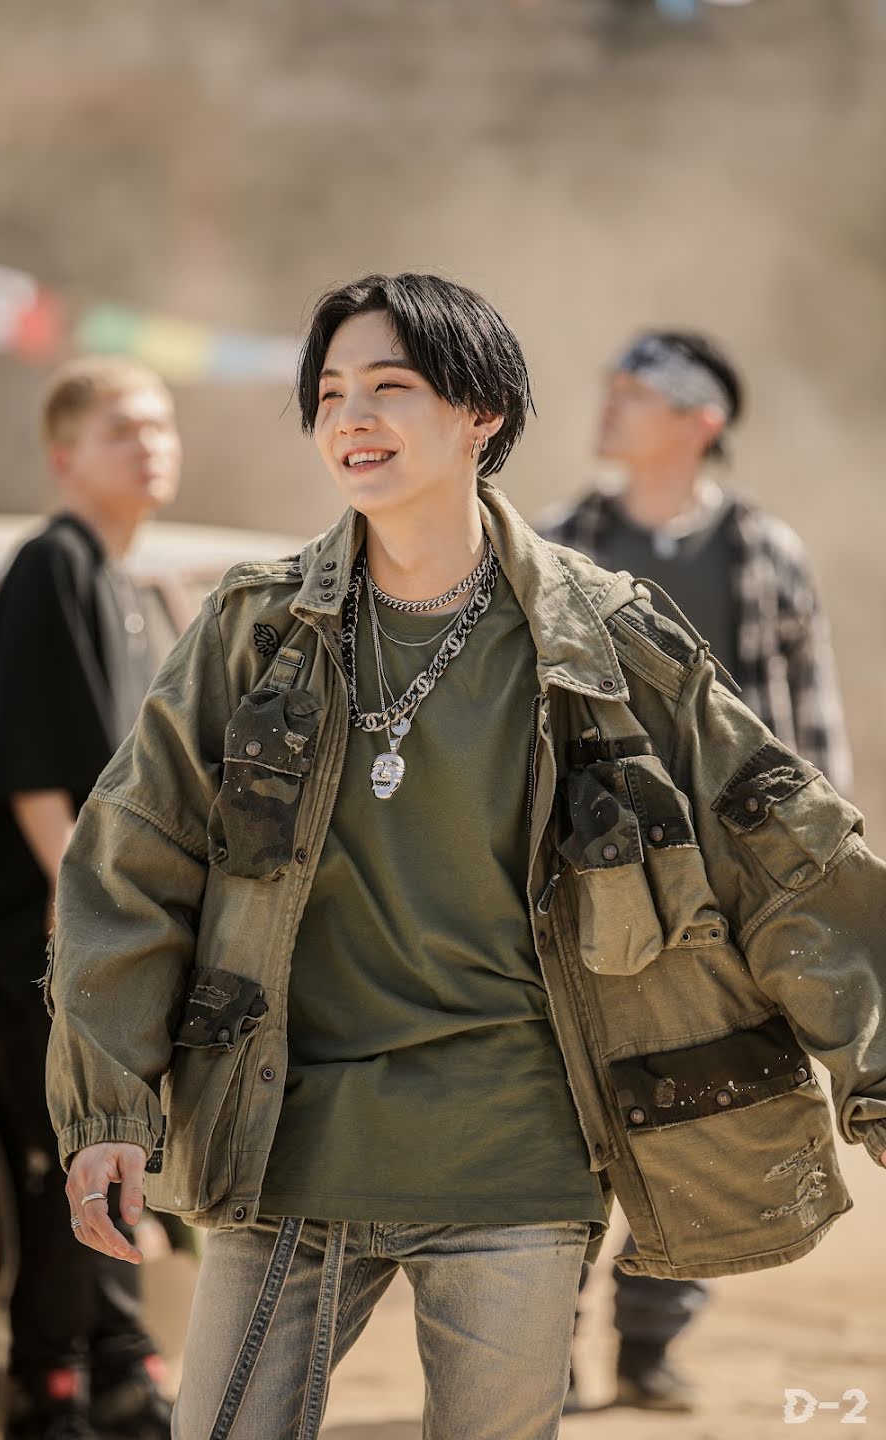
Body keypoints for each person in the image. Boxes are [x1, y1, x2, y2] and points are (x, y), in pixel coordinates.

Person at [45, 275, 886, 1440]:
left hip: (517, 1163)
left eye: (389, 387)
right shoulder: (254, 629)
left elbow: (790, 853)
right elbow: (130, 866)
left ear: (480, 414)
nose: (351, 417)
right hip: (284, 1150)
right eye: (330, 394)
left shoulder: (607, 635)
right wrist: (108, 1108)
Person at [537, 329, 853, 1413]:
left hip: (723, 881)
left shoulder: (763, 552)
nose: (609, 405)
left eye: (634, 393)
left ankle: (650, 1343)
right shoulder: (559, 542)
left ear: (699, 420)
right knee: (566, 1100)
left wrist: (816, 871)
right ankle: (543, 1348)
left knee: (708, 1098)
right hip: (587, 875)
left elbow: (807, 724)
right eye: (611, 387)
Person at [0, 356, 182, 1440]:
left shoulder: (123, 581)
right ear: (64, 457)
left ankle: (116, 1372)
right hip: (44, 931)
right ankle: (52, 1390)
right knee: (64, 1160)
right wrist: (82, 910)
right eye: (121, 429)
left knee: (110, 1145)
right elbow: (39, 773)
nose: (150, 444)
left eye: (160, 424)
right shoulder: (52, 563)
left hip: (99, 924)